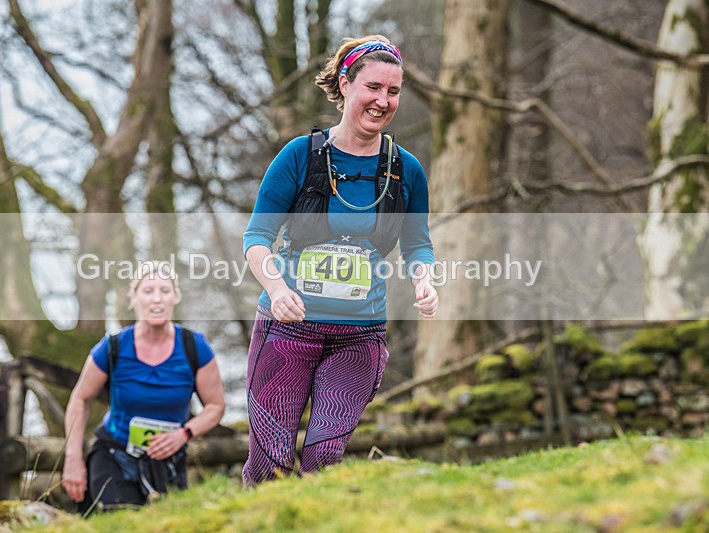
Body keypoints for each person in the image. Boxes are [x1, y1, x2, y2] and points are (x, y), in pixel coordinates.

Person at [242, 35, 439, 486]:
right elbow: (257, 238)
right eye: (373, 87)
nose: (383, 101)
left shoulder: (406, 169)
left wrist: (424, 281)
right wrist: (276, 288)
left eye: (393, 91)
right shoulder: (300, 156)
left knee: (323, 460)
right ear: (345, 84)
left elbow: (417, 244)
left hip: (358, 336)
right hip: (287, 331)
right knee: (269, 462)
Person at [62, 262, 225, 509]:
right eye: (148, 291)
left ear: (175, 297)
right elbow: (80, 399)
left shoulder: (194, 347)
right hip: (114, 455)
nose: (156, 299)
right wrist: (72, 459)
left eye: (164, 290)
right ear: (134, 297)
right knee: (124, 519)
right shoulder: (112, 347)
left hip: (168, 462)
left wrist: (184, 434)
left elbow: (215, 406)